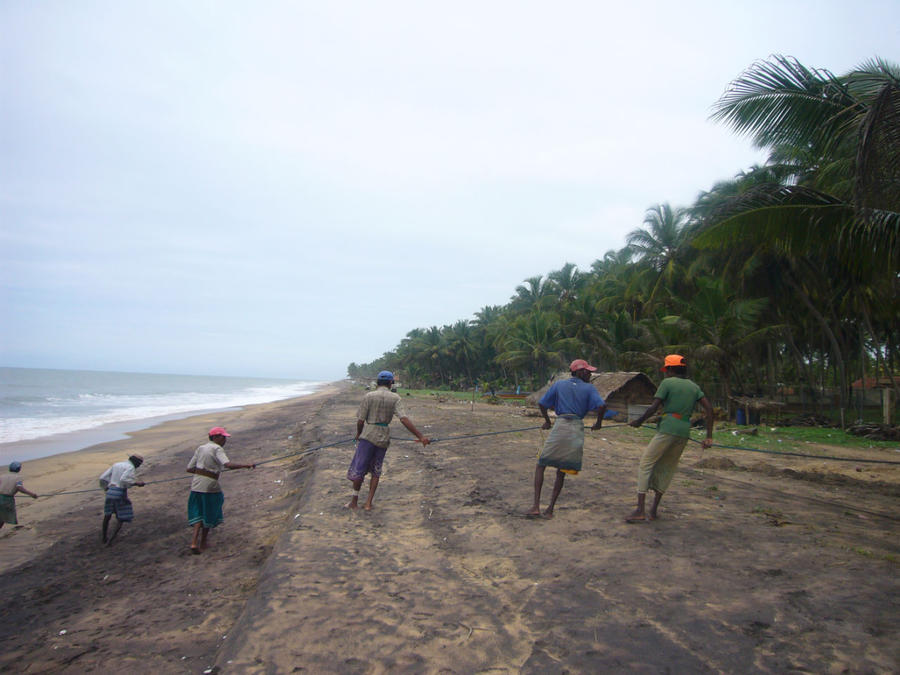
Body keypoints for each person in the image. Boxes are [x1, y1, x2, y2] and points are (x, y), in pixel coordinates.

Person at [626, 354, 714, 522]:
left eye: (666, 370)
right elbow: (709, 409)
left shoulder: (667, 383)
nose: (665, 373)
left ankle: (640, 510)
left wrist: (638, 421)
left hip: (668, 429)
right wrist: (709, 436)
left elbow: (653, 407)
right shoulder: (694, 387)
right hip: (683, 430)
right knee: (667, 467)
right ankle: (653, 511)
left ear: (671, 369)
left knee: (646, 463)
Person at [527, 359, 607, 518]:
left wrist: (547, 421)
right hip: (576, 429)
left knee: (541, 464)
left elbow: (542, 404)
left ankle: (536, 506)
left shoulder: (559, 385)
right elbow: (602, 406)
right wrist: (598, 423)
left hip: (561, 424)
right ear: (579, 372)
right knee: (561, 470)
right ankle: (550, 509)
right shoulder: (589, 388)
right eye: (587, 371)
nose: (590, 374)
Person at [347, 370, 430, 510]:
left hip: (367, 435)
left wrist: (358, 434)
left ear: (377, 382)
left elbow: (361, 420)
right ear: (391, 383)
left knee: (359, 468)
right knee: (376, 471)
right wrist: (420, 437)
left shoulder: (369, 396)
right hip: (383, 437)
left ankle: (354, 501)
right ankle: (368, 503)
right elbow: (403, 419)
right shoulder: (395, 398)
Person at [186, 426, 256, 554]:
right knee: (209, 511)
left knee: (199, 513)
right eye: (223, 437)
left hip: (196, 485)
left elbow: (189, 468)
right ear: (216, 437)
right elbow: (227, 465)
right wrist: (246, 465)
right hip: (210, 485)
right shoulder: (217, 448)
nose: (225, 440)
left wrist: (202, 471)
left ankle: (194, 542)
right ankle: (203, 542)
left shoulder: (201, 448)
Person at [99, 454, 146, 544]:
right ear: (136, 463)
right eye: (139, 464)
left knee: (107, 515)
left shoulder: (116, 464)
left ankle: (104, 538)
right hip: (119, 492)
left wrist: (105, 488)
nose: (138, 466)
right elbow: (124, 480)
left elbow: (102, 478)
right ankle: (111, 541)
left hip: (110, 492)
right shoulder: (130, 467)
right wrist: (137, 483)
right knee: (122, 516)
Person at [0, 462, 38, 529]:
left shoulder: (2, 476)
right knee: (3, 517)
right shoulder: (18, 478)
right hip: (7, 500)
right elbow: (19, 488)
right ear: (18, 469)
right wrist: (31, 494)